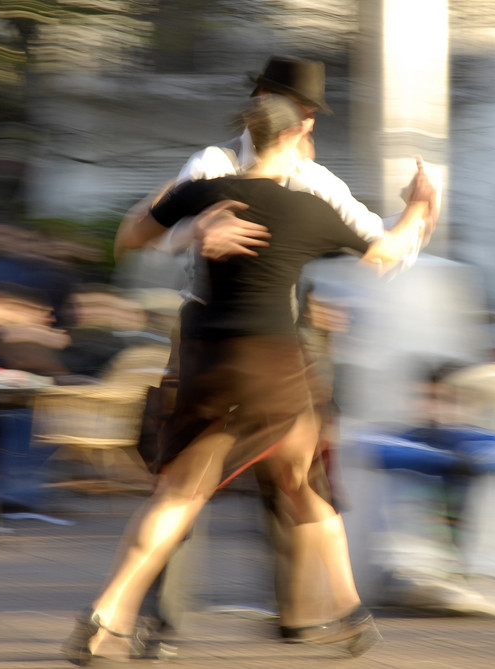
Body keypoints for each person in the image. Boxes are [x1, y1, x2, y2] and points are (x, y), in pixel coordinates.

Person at [62, 94, 434, 665]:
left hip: (203, 361)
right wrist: (418, 207)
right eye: (306, 139)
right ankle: (350, 616)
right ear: (289, 139)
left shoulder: (203, 191)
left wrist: (189, 226)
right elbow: (384, 251)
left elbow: (128, 236)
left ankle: (106, 615)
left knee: (179, 494)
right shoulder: (307, 207)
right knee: (305, 487)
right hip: (273, 365)